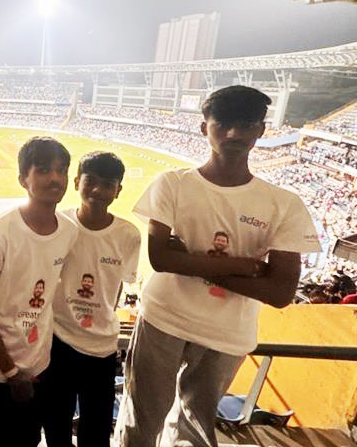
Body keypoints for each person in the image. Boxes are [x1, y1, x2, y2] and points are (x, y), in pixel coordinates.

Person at [114, 86, 320, 447]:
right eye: (223, 123)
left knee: (194, 429)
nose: (234, 134)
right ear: (203, 127)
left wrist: (191, 261)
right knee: (140, 422)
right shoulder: (172, 184)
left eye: (246, 124)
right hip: (164, 317)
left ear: (261, 129)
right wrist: (246, 267)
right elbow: (160, 259)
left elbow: (280, 292)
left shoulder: (285, 204)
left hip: (227, 334)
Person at [0, 136, 79, 447]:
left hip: (38, 366)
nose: (55, 178)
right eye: (43, 170)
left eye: (61, 169)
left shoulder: (69, 232)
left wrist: (30, 367)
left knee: (26, 440)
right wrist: (11, 371)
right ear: (23, 179)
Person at [42, 151, 140, 447]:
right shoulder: (57, 224)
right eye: (91, 181)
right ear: (76, 182)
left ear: (118, 190)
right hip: (57, 341)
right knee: (56, 425)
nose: (98, 190)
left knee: (96, 432)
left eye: (108, 184)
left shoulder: (128, 235)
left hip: (101, 348)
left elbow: (119, 286)